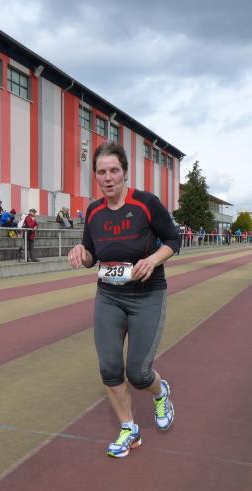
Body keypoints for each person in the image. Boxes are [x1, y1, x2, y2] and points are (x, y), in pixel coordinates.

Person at [67, 141, 179, 459]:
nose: (108, 178)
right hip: (109, 296)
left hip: (147, 296)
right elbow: (92, 256)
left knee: (138, 374)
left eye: (114, 170)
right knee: (109, 368)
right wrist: (81, 253)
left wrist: (153, 260)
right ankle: (129, 428)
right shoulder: (93, 211)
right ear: (95, 176)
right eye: (101, 172)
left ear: (125, 173)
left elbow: (173, 239)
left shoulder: (146, 203)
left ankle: (160, 391)